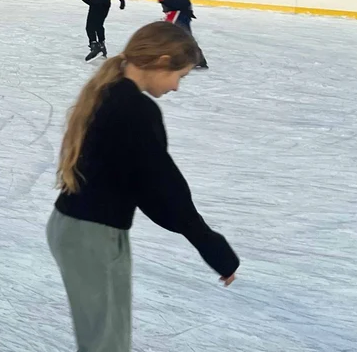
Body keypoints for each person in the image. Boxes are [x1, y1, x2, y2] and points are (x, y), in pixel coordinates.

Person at [47, 21, 237, 352]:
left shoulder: (112, 92)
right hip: (90, 236)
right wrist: (212, 246)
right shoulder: (133, 108)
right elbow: (164, 189)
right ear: (162, 61)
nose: (177, 87)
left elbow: (149, 187)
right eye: (180, 76)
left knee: (109, 341)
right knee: (105, 345)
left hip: (88, 230)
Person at [137, 0, 207, 68]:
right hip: (180, 10)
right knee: (180, 35)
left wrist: (166, 4)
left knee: (177, 35)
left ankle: (193, 59)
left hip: (178, 10)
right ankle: (196, 59)